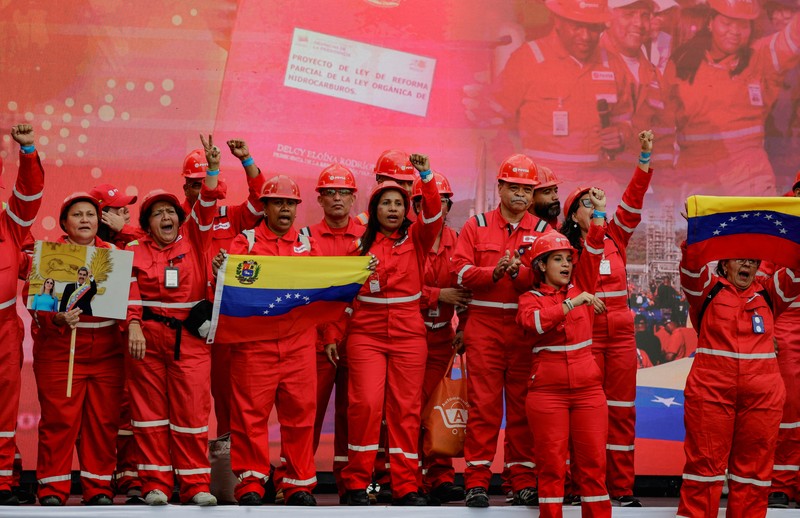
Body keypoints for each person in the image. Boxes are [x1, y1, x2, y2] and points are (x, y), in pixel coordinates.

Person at [125, 135, 223, 506]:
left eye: (170, 212)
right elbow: (129, 292)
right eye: (157, 213)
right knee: (149, 415)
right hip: (146, 339)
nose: (165, 217)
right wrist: (133, 324)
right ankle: (156, 485)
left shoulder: (195, 240)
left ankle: (196, 484)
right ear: (147, 223)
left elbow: (208, 205)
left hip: (191, 342)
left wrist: (212, 170)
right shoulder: (132, 251)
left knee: (192, 414)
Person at [560, 130, 656, 506]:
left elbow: (633, 201)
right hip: (585, 339)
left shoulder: (616, 235)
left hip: (619, 340)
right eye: (586, 203)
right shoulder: (565, 247)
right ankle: (577, 486)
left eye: (596, 201)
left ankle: (621, 488)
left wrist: (644, 158)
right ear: (573, 215)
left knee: (621, 414)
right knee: (582, 413)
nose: (594, 205)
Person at [340, 154, 441, 506]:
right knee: (365, 406)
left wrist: (425, 176)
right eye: (387, 203)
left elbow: (433, 213)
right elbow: (341, 296)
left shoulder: (419, 239)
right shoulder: (358, 248)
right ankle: (356, 484)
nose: (394, 209)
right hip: (365, 336)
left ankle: (406, 486)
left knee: (405, 410)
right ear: (375, 208)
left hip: (409, 337)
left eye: (399, 203)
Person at [451, 154, 549, 508]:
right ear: (501, 188)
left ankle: (521, 480)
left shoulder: (543, 232)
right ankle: (476, 481)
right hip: (485, 329)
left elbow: (550, 277)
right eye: (515, 187)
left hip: (525, 333)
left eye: (527, 189)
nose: (521, 195)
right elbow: (459, 272)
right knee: (484, 408)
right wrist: (492, 272)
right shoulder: (475, 226)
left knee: (524, 410)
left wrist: (518, 274)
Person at [217, 174, 320, 507]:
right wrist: (221, 271)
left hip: (299, 344)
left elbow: (324, 291)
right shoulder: (243, 243)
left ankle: (298, 483)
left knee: (301, 416)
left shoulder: (308, 244)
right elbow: (224, 290)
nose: (286, 209)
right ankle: (250, 481)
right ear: (265, 206)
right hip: (254, 345)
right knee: (249, 416)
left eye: (291, 203)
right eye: (279, 202)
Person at [677, 248, 800, 517]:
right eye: (740, 258)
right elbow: (689, 272)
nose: (748, 264)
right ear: (724, 263)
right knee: (704, 473)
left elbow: (795, 275)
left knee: (754, 476)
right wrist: (694, 237)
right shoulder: (707, 290)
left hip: (762, 398)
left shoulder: (769, 293)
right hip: (711, 393)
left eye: (754, 260)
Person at [517, 188, 610, 518]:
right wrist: (572, 303)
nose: (568, 265)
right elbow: (535, 324)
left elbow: (595, 248)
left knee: (594, 469)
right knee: (552, 470)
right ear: (541, 265)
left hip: (588, 393)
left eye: (569, 259)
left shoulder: (583, 280)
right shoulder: (530, 299)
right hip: (547, 395)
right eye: (559, 259)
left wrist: (598, 213)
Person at [29, 192, 123, 506]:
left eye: (91, 214)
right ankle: (52, 490)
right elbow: (39, 302)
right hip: (60, 350)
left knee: (102, 422)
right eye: (77, 215)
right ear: (65, 223)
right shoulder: (49, 255)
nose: (85, 220)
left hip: (107, 354)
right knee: (59, 420)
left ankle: (98, 489)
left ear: (99, 221)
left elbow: (128, 301)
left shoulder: (114, 255)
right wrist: (55, 316)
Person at [494, 0, 633, 199]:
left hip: (597, 182)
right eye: (577, 26)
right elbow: (496, 124)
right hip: (541, 183)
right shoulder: (527, 59)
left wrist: (621, 135)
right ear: (558, 21)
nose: (585, 36)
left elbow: (625, 119)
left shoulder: (612, 63)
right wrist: (513, 179)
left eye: (594, 28)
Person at [666, 0, 800, 197]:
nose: (735, 31)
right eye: (727, 23)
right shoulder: (681, 64)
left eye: (743, 25)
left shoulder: (761, 58)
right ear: (710, 23)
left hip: (750, 181)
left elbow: (794, 37)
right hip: (695, 181)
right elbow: (662, 127)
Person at [181, 141, 265, 437]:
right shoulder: (169, 220)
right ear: (185, 188)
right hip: (186, 322)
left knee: (231, 394)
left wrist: (246, 159)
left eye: (207, 182)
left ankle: (229, 461)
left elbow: (259, 198)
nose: (204, 189)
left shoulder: (233, 216)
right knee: (186, 397)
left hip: (227, 320)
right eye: (195, 184)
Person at [299, 164, 364, 503]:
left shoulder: (369, 236)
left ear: (354, 198)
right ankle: (297, 483)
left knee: (353, 415)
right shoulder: (304, 238)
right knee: (307, 413)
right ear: (320, 199)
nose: (337, 198)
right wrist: (326, 335)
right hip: (317, 341)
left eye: (343, 192)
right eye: (330, 192)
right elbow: (310, 295)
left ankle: (350, 486)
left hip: (361, 339)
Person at [411, 171, 470, 503]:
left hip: (442, 341)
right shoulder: (406, 241)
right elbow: (398, 290)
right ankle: (407, 477)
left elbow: (467, 292)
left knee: (440, 408)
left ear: (448, 204)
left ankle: (441, 477)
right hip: (406, 338)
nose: (432, 206)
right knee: (408, 410)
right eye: (420, 201)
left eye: (440, 200)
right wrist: (437, 295)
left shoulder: (460, 240)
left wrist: (462, 328)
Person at [0, 124, 43, 506]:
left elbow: (28, 196)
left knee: (3, 409)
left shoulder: (9, 226)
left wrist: (27, 151)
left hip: (3, 333)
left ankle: (0, 482)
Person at [768, 173, 800, 508]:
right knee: (788, 409)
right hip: (788, 322)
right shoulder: (781, 220)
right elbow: (764, 278)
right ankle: (781, 483)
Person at [354, 149, 416, 225]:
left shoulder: (417, 221)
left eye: (410, 183)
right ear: (380, 182)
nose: (407, 189)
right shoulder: (361, 223)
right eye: (399, 183)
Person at [90, 183, 143, 250]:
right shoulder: (87, 241)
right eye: (119, 206)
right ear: (102, 214)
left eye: (125, 205)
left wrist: (124, 229)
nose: (126, 210)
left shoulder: (123, 237)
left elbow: (155, 243)